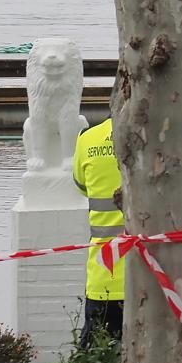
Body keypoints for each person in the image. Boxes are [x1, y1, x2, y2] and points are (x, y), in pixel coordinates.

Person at [73, 118, 124, 346]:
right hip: (151, 275)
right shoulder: (159, 136)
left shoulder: (88, 139)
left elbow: (81, 185)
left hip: (104, 275)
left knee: (96, 360)